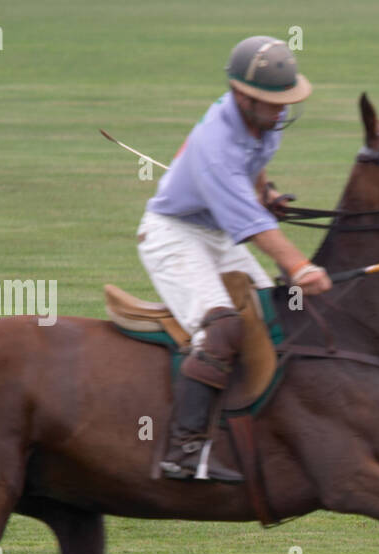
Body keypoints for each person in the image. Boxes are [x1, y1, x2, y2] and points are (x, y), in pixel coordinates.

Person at [137, 35, 332, 482]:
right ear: (242, 95)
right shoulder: (216, 144)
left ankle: (263, 428)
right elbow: (253, 228)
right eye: (272, 101)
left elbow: (254, 174)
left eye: (286, 100)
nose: (282, 109)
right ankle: (184, 452)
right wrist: (299, 266)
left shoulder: (262, 123)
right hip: (174, 235)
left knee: (274, 318)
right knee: (222, 327)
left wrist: (267, 193)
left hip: (218, 234)